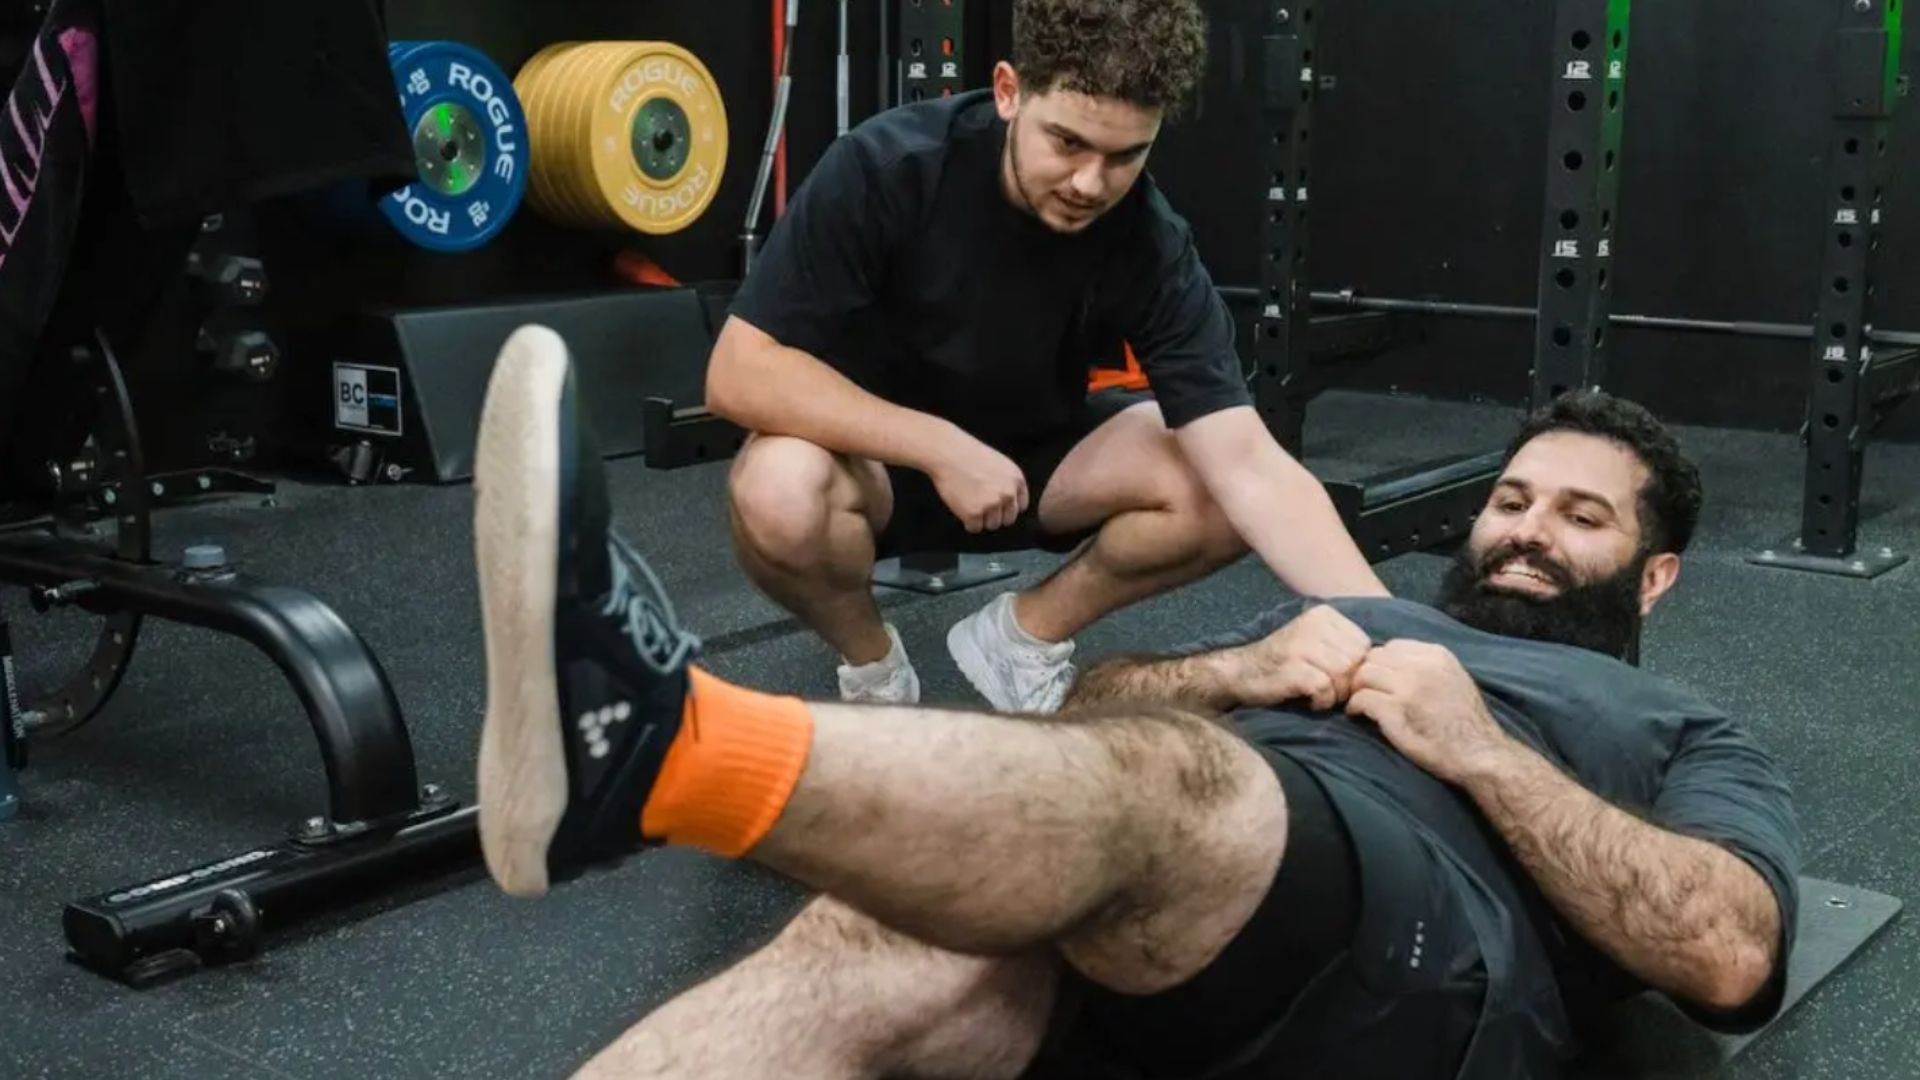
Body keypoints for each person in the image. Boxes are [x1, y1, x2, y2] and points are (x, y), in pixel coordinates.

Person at [470, 328, 1800, 1079]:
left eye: (1579, 518)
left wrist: (1477, 751)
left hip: (1420, 959)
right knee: (880, 934)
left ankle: (665, 750)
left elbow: (1732, 955)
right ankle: (644, 748)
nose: (1526, 533)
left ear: (1656, 571)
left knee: (1187, 786)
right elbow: (1095, 711)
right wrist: (1234, 671)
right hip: (1194, 880)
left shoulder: (1677, 727)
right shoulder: (1359, 614)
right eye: (1513, 501)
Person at [707, 0, 1385, 712]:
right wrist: (937, 445)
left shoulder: (1147, 238)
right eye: (1066, 142)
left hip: (1038, 463)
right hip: (871, 465)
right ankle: (872, 663)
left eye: (1125, 155)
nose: (1091, 183)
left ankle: (1023, 637)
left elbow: (1251, 465)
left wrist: (1404, 638)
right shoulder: (890, 167)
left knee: (1219, 486)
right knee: (777, 489)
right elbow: (739, 370)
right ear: (1008, 92)